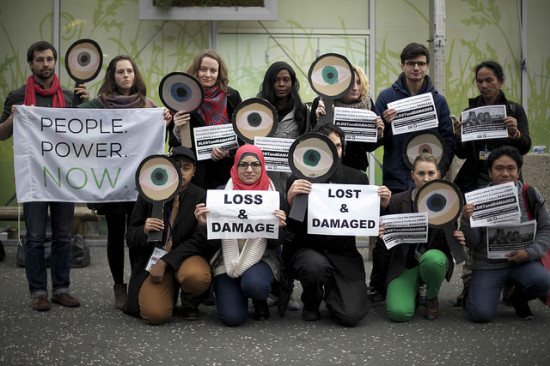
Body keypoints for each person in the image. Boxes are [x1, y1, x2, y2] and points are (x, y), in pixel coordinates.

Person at [78, 55, 172, 310]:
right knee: (116, 234)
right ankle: (119, 285)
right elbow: (71, 120)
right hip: (112, 183)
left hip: (140, 183)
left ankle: (136, 282)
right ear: (112, 76)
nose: (125, 75)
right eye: (120, 72)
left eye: (129, 71)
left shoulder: (147, 105)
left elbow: (158, 139)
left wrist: (165, 118)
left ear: (135, 74)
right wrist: (81, 102)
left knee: (137, 233)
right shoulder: (98, 105)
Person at [0, 41, 89, 311]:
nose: (46, 64)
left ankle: (61, 289)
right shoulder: (17, 97)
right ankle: (38, 291)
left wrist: (87, 107)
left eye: (50, 59)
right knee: (35, 236)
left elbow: (86, 133)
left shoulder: (71, 96)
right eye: (40, 60)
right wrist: (12, 119)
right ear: (31, 64)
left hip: (63, 177)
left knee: (63, 236)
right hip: (34, 177)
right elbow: (2, 133)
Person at [368, 42, 455, 304]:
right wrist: (383, 126)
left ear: (427, 66)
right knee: (388, 234)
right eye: (410, 63)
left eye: (420, 63)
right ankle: (379, 284)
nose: (416, 68)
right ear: (402, 65)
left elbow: (447, 139)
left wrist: (439, 170)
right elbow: (373, 142)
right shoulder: (386, 97)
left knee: (428, 231)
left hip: (428, 178)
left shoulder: (438, 100)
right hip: (396, 177)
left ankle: (422, 281)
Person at [284, 124, 391, 326]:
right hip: (309, 251)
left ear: (343, 149)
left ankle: (335, 295)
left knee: (350, 316)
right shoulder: (298, 179)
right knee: (315, 266)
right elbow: (292, 229)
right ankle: (311, 302)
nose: (334, 151)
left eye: (338, 146)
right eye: (328, 146)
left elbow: (366, 223)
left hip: (344, 255)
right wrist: (290, 203)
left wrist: (381, 209)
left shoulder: (358, 178)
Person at [452, 60, 531, 306]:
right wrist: (459, 135)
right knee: (473, 233)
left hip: (505, 184)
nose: (484, 85)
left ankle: (509, 284)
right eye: (480, 81)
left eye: (489, 80)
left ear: (501, 81)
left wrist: (515, 133)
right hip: (476, 182)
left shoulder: (513, 109)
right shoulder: (471, 108)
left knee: (505, 231)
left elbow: (525, 145)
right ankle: (469, 283)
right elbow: (464, 153)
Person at [194, 145, 287, 326]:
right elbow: (211, 243)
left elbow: (277, 244)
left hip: (262, 258)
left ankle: (259, 299)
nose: (249, 170)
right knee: (232, 318)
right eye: (243, 165)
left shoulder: (275, 197)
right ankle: (235, 293)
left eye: (255, 164)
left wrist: (279, 228)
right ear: (235, 166)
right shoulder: (219, 195)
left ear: (263, 166)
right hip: (226, 259)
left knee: (256, 285)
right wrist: (204, 225)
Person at [123, 146, 217, 324]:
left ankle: (189, 302)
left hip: (184, 258)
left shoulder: (201, 196)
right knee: (155, 315)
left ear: (194, 171)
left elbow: (199, 241)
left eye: (186, 168)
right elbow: (130, 237)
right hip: (153, 260)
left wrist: (166, 261)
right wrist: (143, 230)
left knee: (197, 277)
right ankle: (169, 292)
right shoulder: (149, 193)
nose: (180, 172)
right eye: (175, 166)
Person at [460, 145, 550, 322]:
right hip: (488, 265)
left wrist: (529, 253)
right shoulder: (478, 198)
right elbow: (472, 243)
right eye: (499, 168)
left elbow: (546, 229)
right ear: (490, 172)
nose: (505, 174)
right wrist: (466, 221)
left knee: (544, 281)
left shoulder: (530, 194)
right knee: (480, 315)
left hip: (523, 263)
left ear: (519, 171)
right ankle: (474, 290)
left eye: (511, 168)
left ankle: (518, 298)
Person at [380, 153, 465, 321]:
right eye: (421, 173)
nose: (426, 178)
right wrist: (384, 232)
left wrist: (459, 238)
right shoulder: (397, 201)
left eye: (431, 173)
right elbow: (385, 240)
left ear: (439, 174)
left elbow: (449, 242)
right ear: (412, 175)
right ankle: (412, 290)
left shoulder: (448, 202)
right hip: (405, 264)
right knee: (399, 313)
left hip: (432, 260)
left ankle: (431, 296)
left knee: (433, 260)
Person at [170, 49, 243, 190]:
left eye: (213, 70)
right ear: (195, 70)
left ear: (219, 73)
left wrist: (228, 152)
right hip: (195, 175)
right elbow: (175, 145)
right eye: (203, 69)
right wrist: (177, 131)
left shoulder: (232, 96)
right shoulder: (182, 98)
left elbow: (242, 135)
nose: (208, 75)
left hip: (225, 173)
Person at [311, 64, 384, 173]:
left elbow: (368, 147)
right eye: (350, 83)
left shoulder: (367, 104)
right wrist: (320, 121)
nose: (355, 88)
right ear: (340, 84)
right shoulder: (322, 102)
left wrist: (377, 135)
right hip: (325, 165)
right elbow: (312, 140)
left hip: (355, 168)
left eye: (359, 83)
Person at [258, 61, 310, 193]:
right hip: (263, 182)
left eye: (286, 80)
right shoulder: (257, 109)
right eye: (276, 80)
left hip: (292, 182)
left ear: (292, 82)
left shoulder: (303, 111)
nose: (281, 84)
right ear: (269, 83)